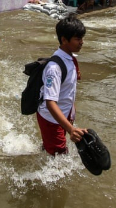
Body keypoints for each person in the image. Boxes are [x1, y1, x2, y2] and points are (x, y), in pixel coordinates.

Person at [36, 15, 88, 156]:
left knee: (53, 149)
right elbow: (50, 102)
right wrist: (71, 129)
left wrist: (71, 114)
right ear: (64, 39)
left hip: (64, 115)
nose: (81, 42)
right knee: (60, 156)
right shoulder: (54, 68)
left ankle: (45, 150)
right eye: (78, 39)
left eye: (82, 38)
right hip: (51, 119)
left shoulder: (70, 59)